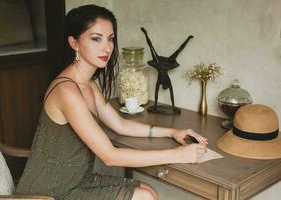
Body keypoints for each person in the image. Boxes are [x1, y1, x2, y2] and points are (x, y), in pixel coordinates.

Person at [16, 4, 208, 200]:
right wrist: (178, 155)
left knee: (149, 192)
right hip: (48, 192)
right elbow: (109, 156)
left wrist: (173, 132)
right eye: (96, 39)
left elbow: (120, 125)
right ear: (74, 43)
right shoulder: (67, 91)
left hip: (78, 181)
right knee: (145, 197)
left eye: (110, 39)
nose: (106, 48)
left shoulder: (90, 84)